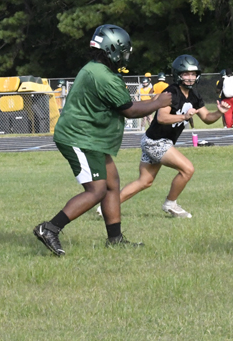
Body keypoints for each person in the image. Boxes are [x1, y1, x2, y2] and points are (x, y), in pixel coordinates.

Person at [32, 24, 172, 256]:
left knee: (111, 183)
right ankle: (49, 228)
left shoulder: (95, 69)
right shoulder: (103, 76)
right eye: (123, 52)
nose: (124, 57)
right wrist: (158, 102)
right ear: (112, 50)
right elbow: (129, 110)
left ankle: (115, 239)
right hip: (80, 137)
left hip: (90, 137)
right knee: (96, 190)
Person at [114, 55, 229, 219]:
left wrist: (219, 112)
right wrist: (184, 117)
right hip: (156, 141)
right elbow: (162, 118)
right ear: (178, 75)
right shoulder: (171, 92)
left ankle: (107, 206)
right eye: (186, 74)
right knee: (187, 169)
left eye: (193, 74)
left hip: (156, 140)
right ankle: (170, 203)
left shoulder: (194, 95)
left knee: (145, 181)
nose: (190, 78)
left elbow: (207, 118)